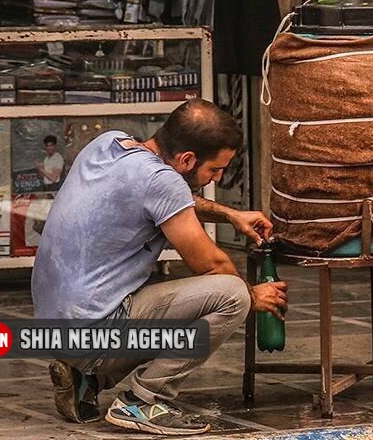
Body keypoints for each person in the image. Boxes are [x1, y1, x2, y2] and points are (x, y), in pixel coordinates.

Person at [31, 100, 288, 435]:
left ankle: (87, 377)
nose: (218, 177)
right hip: (94, 329)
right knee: (231, 295)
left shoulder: (108, 144)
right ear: (187, 160)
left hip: (56, 326)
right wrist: (253, 296)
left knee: (150, 303)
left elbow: (167, 196)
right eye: (215, 170)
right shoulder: (161, 181)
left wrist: (229, 214)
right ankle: (143, 400)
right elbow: (212, 266)